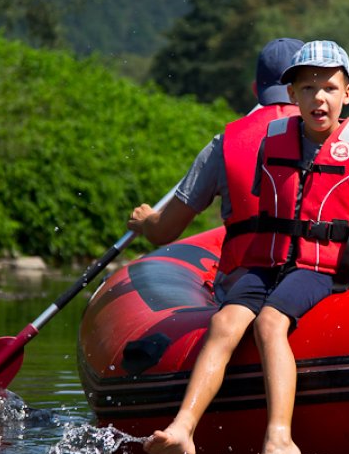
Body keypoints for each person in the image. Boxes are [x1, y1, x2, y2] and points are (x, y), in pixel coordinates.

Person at [144, 39, 349, 454]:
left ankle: (280, 441)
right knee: (225, 321)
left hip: (325, 269)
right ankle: (183, 428)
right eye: (307, 88)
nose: (318, 98)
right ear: (291, 96)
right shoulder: (273, 143)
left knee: (269, 322)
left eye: (329, 88)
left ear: (347, 94)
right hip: (273, 264)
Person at [128, 37, 303, 299]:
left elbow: (164, 230)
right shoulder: (337, 141)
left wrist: (146, 222)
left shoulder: (223, 145)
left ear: (255, 89)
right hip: (315, 285)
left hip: (243, 291)